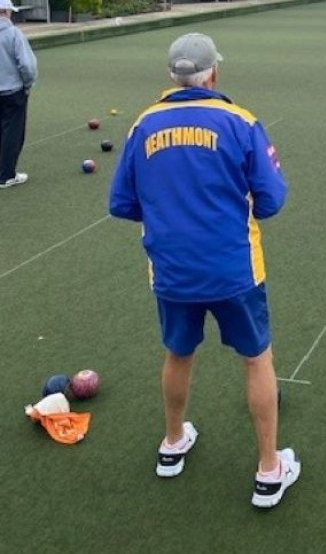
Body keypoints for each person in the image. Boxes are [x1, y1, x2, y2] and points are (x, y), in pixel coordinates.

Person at [109, 32, 301, 509]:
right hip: (234, 267)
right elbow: (273, 200)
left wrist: (171, 212)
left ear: (171, 76)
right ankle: (268, 472)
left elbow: (122, 203)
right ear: (213, 72)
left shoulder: (142, 125)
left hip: (172, 268)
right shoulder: (241, 121)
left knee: (178, 354)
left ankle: (172, 444)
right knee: (257, 360)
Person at [0, 0, 38, 188]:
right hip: (13, 92)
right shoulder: (14, 34)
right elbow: (27, 65)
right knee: (12, 134)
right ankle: (6, 175)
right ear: (5, 12)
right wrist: (28, 84)